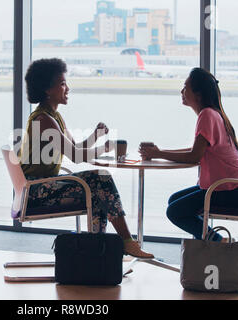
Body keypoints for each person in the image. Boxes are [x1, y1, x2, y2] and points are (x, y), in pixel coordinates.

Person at [19, 58, 154, 258]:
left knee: (98, 188)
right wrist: (104, 147)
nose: (68, 88)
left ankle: (96, 252)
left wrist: (95, 136)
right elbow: (75, 156)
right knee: (101, 179)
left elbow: (74, 148)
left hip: (42, 187)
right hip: (35, 191)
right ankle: (126, 242)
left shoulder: (53, 117)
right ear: (48, 90)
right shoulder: (43, 120)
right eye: (62, 83)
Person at [139, 68, 238, 242]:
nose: (181, 91)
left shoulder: (207, 115)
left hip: (231, 190)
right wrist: (157, 153)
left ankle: (219, 242)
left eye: (186, 87)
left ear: (198, 94)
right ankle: (210, 242)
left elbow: (194, 156)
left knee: (175, 211)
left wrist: (158, 153)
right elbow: (196, 150)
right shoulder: (213, 113)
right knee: (174, 201)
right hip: (236, 188)